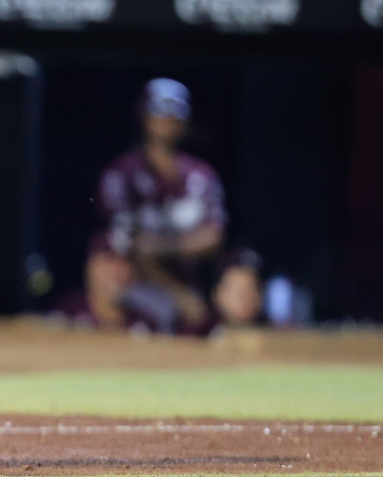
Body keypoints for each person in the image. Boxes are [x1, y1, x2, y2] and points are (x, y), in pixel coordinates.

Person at [77, 78, 263, 334]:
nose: (167, 121)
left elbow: (213, 236)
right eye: (159, 113)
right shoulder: (122, 173)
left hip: (192, 281)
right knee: (106, 257)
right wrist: (175, 288)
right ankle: (108, 339)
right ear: (145, 117)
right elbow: (131, 246)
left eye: (174, 114)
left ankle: (240, 349)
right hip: (138, 280)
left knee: (239, 274)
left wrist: (161, 248)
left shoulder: (201, 174)